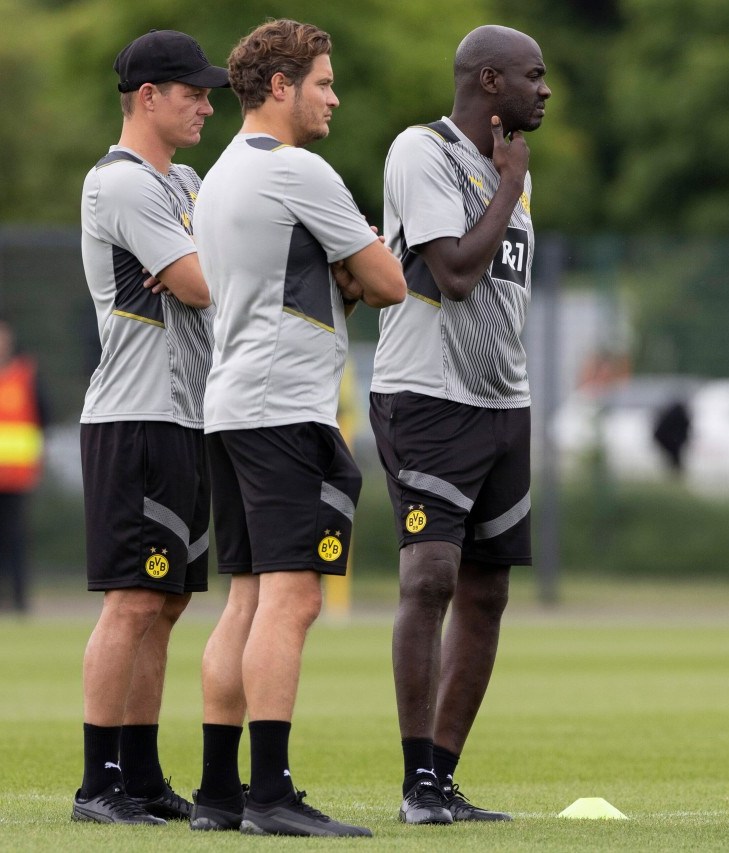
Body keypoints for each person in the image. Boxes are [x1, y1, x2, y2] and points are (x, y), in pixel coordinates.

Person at [189, 18, 406, 838]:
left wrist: (341, 270)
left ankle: (219, 793)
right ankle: (271, 794)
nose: (333, 97)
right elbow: (385, 280)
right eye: (322, 81)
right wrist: (356, 264)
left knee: (245, 600)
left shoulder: (217, 177)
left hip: (232, 405)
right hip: (287, 408)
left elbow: (325, 277)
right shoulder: (297, 171)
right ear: (280, 86)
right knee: (293, 598)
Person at [369, 24, 550, 825]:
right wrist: (507, 186)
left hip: (503, 404)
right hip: (427, 397)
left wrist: (511, 181)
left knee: (487, 591)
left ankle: (443, 780)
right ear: (488, 81)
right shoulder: (422, 151)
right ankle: (414, 782)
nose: (544, 89)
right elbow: (454, 272)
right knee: (430, 576)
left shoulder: (513, 169)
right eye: (532, 76)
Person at [74, 29, 229, 826]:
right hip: (134, 417)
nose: (207, 105)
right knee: (132, 602)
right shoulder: (121, 184)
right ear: (148, 98)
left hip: (184, 416)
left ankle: (139, 775)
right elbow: (201, 283)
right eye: (193, 92)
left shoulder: (190, 180)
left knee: (164, 602)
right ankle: (98, 783)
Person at [0, 318, 49, 614]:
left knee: (16, 541)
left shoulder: (26, 375)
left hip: (17, 476)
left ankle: (19, 602)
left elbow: (44, 415)